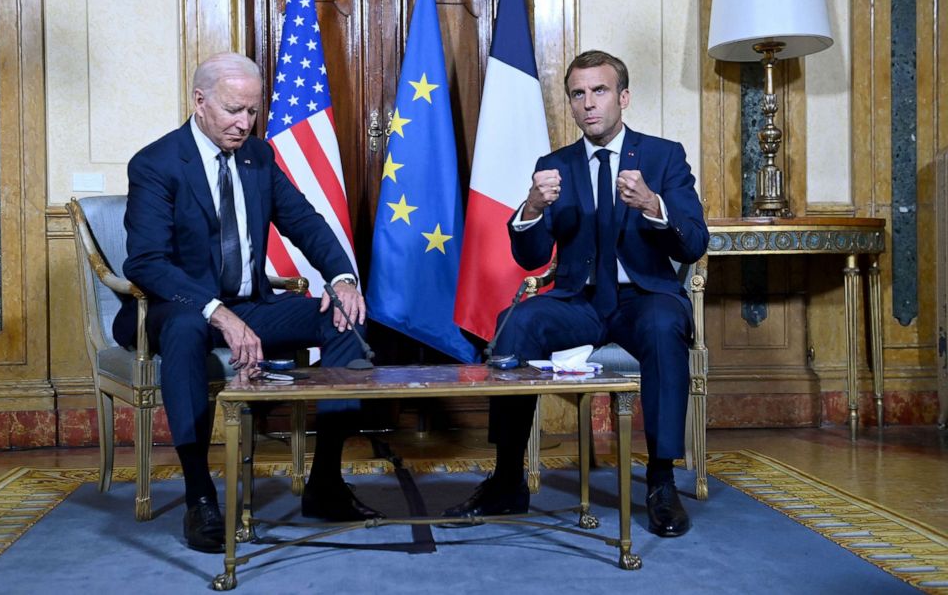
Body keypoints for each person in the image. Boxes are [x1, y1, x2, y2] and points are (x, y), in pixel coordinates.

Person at [113, 52, 382, 554]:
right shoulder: (156, 163)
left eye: (253, 112)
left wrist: (342, 279)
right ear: (199, 101)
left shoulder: (260, 158)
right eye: (234, 110)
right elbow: (146, 263)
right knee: (186, 332)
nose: (245, 123)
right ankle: (200, 498)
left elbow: (304, 222)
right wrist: (216, 310)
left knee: (345, 322)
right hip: (178, 307)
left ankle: (325, 480)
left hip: (251, 303)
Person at [443, 50, 709, 537]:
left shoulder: (663, 156)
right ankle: (506, 479)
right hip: (579, 302)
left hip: (643, 297)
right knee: (516, 322)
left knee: (663, 324)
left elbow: (695, 238)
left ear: (623, 98)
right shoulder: (555, 165)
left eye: (600, 91)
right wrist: (530, 206)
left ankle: (661, 480)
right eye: (578, 94)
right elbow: (530, 256)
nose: (589, 104)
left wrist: (654, 204)